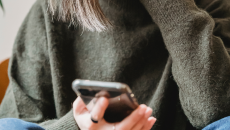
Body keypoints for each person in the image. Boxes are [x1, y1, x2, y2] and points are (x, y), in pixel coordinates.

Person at [1, 0, 230, 129]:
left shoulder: (211, 4)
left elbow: (216, 111)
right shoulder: (49, 11)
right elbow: (16, 120)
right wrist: (77, 127)